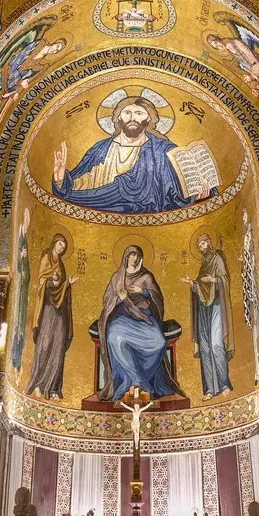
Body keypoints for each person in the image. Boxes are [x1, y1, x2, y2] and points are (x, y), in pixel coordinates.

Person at [54, 96, 205, 215]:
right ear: (118, 118)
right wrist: (61, 181)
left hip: (151, 220)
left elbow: (174, 192)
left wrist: (196, 196)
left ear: (148, 119)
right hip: (100, 211)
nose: (132, 118)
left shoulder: (162, 151)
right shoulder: (100, 149)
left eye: (139, 113)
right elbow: (81, 184)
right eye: (127, 113)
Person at [97, 245, 181, 400]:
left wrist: (143, 291)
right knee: (114, 337)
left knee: (159, 342)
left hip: (144, 316)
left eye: (137, 255)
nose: (134, 258)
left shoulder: (146, 277)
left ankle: (143, 376)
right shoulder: (118, 277)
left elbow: (158, 299)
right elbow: (107, 300)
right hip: (122, 317)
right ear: (126, 256)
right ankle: (134, 381)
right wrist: (120, 299)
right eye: (132, 255)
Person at [26, 231, 74, 398]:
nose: (61, 248)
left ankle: (53, 387)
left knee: (58, 346)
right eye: (60, 244)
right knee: (45, 344)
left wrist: (68, 283)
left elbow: (61, 285)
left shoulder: (61, 265)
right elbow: (41, 281)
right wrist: (51, 282)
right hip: (47, 309)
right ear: (55, 242)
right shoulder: (46, 258)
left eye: (64, 247)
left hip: (59, 312)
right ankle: (38, 383)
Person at [186, 232, 232, 397]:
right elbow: (200, 289)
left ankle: (224, 383)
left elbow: (225, 280)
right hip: (203, 309)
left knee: (216, 344)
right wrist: (193, 284)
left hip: (217, 305)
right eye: (199, 246)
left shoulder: (218, 258)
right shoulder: (203, 266)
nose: (201, 248)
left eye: (203, 244)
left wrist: (213, 280)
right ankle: (210, 389)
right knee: (205, 348)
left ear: (209, 243)